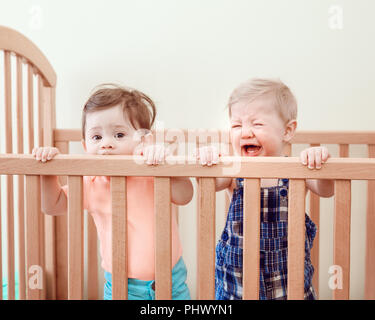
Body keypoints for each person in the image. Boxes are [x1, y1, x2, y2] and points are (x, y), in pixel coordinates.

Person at [33, 84, 193, 300]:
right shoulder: (91, 183)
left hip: (172, 281)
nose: (106, 144)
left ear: (144, 140)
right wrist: (48, 170)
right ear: (84, 145)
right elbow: (53, 205)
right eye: (97, 137)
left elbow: (185, 195)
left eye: (119, 134)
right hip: (122, 287)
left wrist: (166, 166)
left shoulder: (152, 172)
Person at [196, 78, 334, 300]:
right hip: (236, 286)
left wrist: (320, 163)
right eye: (237, 125)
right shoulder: (234, 170)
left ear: (287, 131)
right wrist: (212, 158)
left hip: (290, 287)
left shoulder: (298, 169)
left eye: (257, 124)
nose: (246, 133)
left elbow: (326, 190)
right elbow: (209, 184)